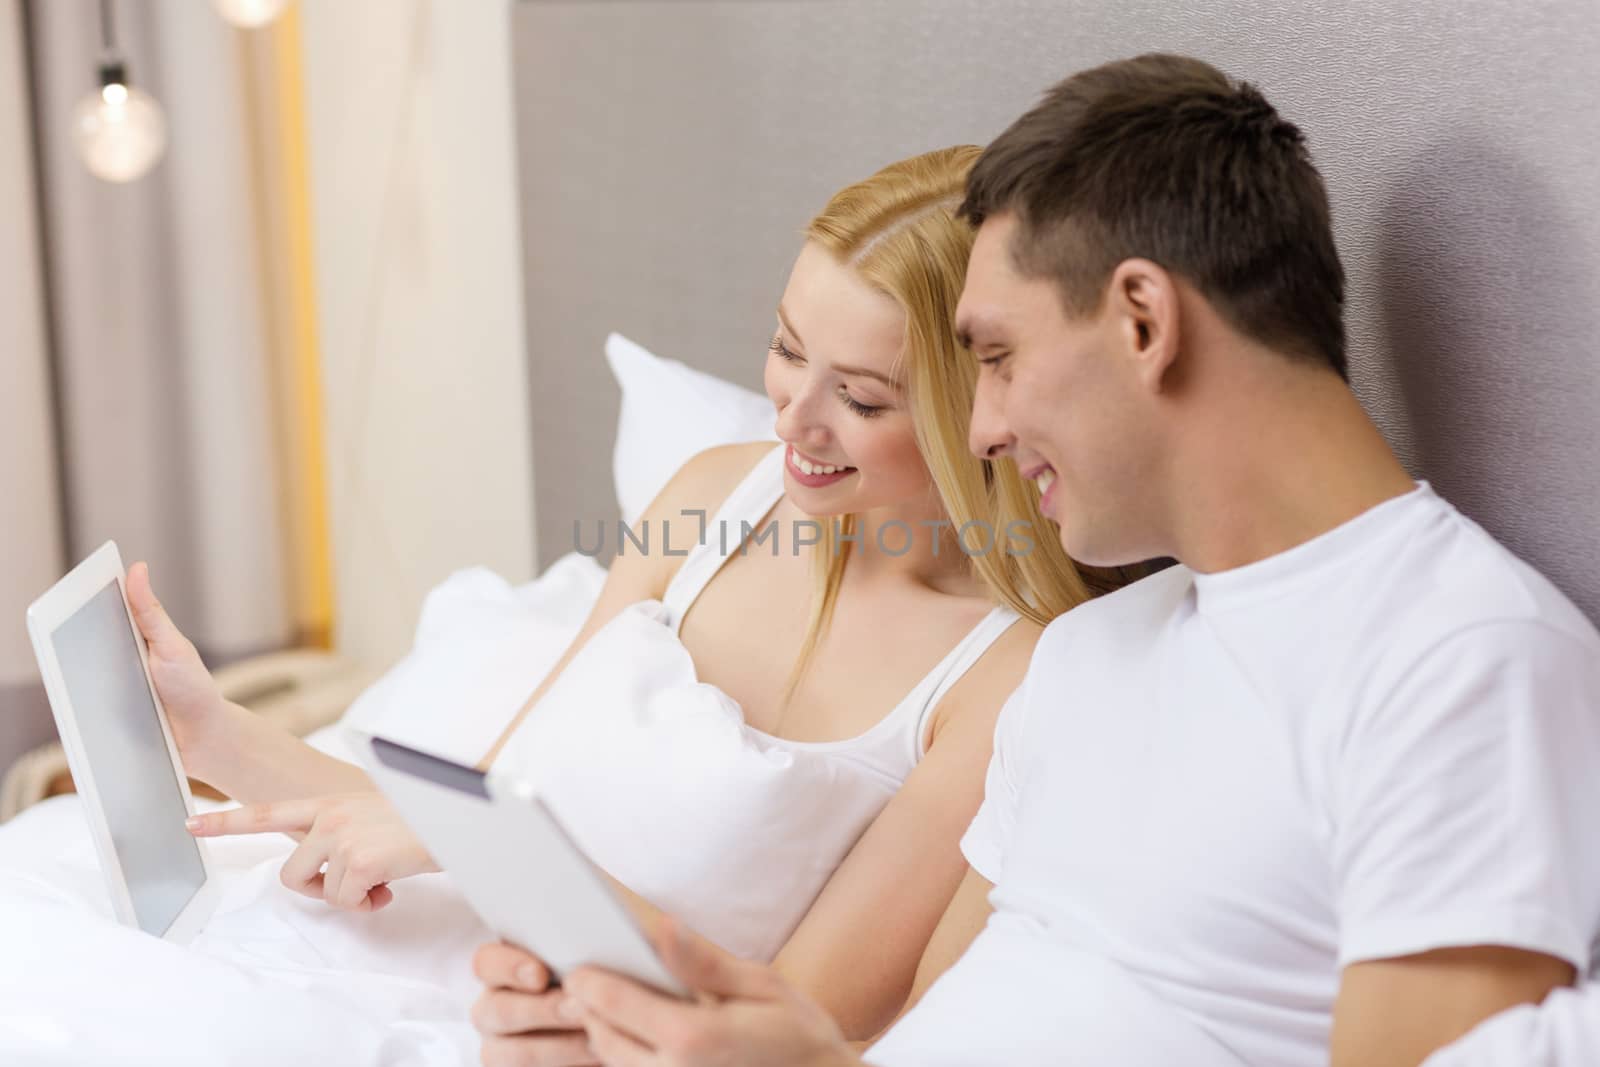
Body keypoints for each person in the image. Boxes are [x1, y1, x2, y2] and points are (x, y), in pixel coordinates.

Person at [469, 54, 1600, 1067]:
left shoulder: (1458, 658)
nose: (980, 433)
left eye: (997, 358)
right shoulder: (1088, 655)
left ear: (1142, 322)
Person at [134, 145, 1135, 1043]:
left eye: (862, 397)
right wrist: (216, 738)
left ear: (980, 413)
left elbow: (801, 1018)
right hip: (422, 967)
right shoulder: (708, 497)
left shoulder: (1002, 677)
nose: (796, 418)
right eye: (787, 350)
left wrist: (478, 849)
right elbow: (462, 820)